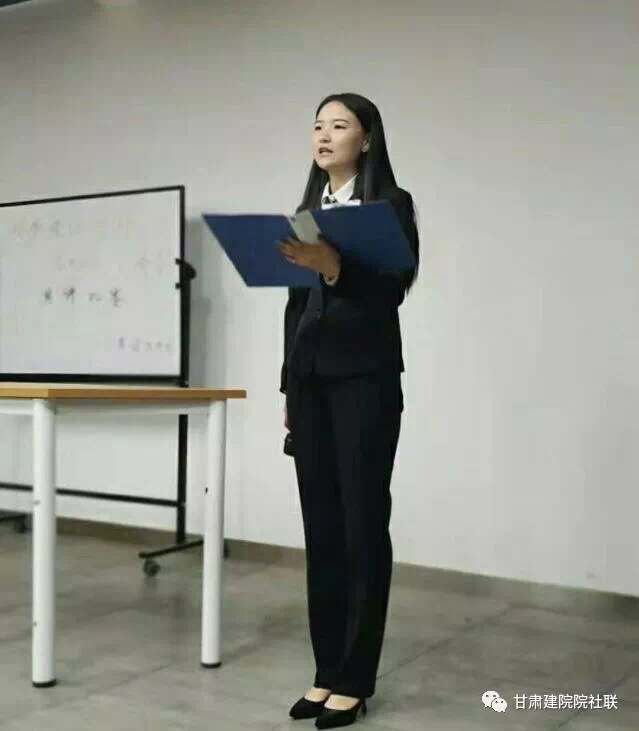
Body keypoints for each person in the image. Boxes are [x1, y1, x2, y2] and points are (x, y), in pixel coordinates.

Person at [276, 92, 419, 729]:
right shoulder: (307, 214)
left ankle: (355, 680)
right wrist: (289, 387)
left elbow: (391, 291)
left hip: (365, 381)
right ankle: (325, 671)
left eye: (339, 125)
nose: (324, 135)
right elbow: (294, 309)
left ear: (366, 140)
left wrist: (334, 267)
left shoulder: (391, 205)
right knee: (322, 531)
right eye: (317, 126)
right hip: (310, 385)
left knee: (362, 528)